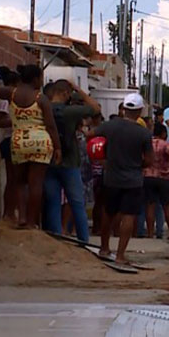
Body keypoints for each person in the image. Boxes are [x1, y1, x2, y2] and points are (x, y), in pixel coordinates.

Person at [0, 64, 61, 230]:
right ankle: (32, 222)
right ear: (34, 79)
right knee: (36, 184)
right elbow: (51, 126)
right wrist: (58, 148)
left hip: (19, 142)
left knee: (18, 182)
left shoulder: (11, 93)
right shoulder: (41, 99)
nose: (41, 81)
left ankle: (22, 218)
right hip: (41, 142)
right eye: (40, 78)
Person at [96, 93, 153, 266]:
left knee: (108, 212)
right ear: (140, 110)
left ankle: (104, 248)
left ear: (123, 109)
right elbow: (149, 160)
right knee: (129, 215)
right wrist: (138, 165)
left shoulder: (109, 126)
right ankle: (120, 255)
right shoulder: (143, 133)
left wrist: (102, 159)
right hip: (133, 179)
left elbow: (92, 137)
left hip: (111, 177)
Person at [43, 79, 101, 242]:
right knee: (77, 203)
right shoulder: (70, 112)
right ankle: (83, 240)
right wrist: (78, 88)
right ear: (65, 93)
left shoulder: (43, 109)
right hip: (70, 162)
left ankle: (56, 239)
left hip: (49, 160)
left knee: (53, 202)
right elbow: (95, 108)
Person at [0, 67, 19, 224]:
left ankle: (11, 212)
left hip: (16, 142)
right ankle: (8, 213)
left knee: (16, 180)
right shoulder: (5, 101)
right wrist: (18, 120)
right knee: (13, 180)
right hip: (10, 141)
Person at [144, 124, 169, 242]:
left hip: (148, 176)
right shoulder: (166, 145)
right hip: (163, 177)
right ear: (164, 133)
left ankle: (150, 233)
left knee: (150, 205)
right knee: (167, 206)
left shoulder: (148, 144)